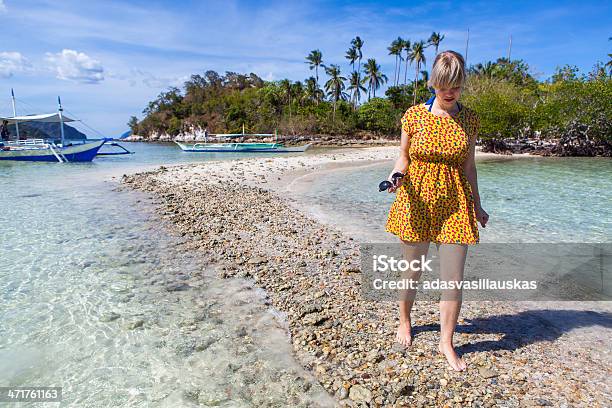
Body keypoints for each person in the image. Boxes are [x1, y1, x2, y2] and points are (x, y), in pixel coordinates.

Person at [384, 50, 489, 372]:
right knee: (412, 270)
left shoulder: (469, 119)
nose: (449, 91)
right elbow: (403, 155)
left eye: (455, 85)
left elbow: (469, 167)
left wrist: (478, 203)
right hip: (416, 198)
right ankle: (405, 320)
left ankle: (447, 341)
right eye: (443, 84)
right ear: (433, 82)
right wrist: (394, 177)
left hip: (455, 202)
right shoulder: (414, 115)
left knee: (453, 279)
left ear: (461, 84)